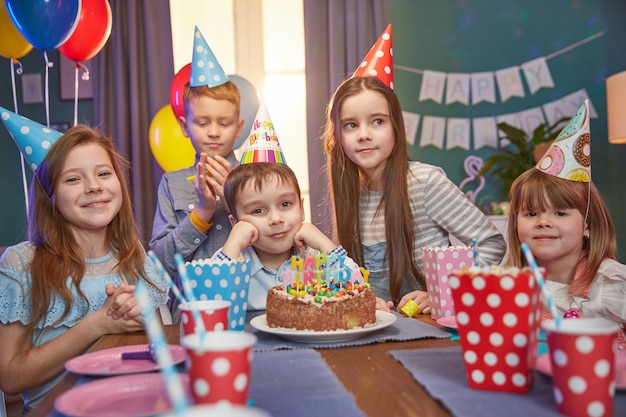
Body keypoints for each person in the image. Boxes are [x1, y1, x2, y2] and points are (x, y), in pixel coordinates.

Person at [0, 123, 169, 411]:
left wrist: (142, 322)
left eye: (104, 173)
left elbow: (157, 349)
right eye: (73, 179)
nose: (94, 186)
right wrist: (97, 324)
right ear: (50, 195)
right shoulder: (22, 264)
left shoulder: (133, 254)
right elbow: (11, 378)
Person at [322, 76, 506, 313]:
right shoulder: (350, 194)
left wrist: (442, 292)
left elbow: (491, 244)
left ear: (396, 127)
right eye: (351, 125)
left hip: (429, 331)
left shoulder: (424, 182)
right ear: (337, 136)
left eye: (377, 121)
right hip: (374, 332)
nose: (364, 135)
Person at [507, 101, 626, 347]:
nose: (543, 222)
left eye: (560, 213)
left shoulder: (609, 283)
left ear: (587, 225)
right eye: (531, 214)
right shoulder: (513, 283)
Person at [150, 28, 244, 319]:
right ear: (183, 126)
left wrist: (236, 201)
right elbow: (158, 264)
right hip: (189, 315)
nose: (214, 132)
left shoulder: (258, 176)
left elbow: (278, 245)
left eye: (224, 123)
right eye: (202, 122)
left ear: (239, 128)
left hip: (248, 307)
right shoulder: (172, 184)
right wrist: (201, 214)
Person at [212, 162, 360, 310]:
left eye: (285, 204)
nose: (276, 219)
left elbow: (356, 286)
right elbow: (210, 299)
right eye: (258, 210)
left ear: (301, 209)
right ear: (236, 222)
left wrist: (324, 244)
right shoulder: (233, 258)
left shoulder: (315, 256)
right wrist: (233, 244)